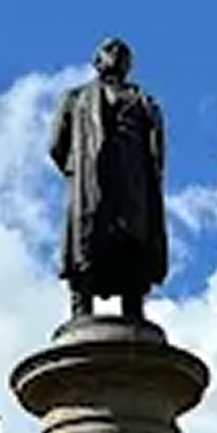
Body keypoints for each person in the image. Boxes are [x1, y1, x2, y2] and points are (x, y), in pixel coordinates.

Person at [49, 38, 169, 323]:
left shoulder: (143, 101)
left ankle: (134, 307)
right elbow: (57, 144)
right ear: (97, 61)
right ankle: (81, 307)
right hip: (90, 181)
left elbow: (156, 146)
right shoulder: (75, 98)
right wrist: (79, 167)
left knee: (132, 239)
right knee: (88, 241)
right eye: (109, 50)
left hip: (132, 183)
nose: (116, 55)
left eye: (123, 53)